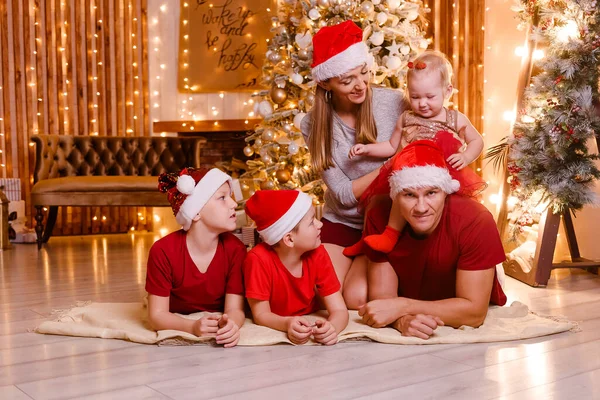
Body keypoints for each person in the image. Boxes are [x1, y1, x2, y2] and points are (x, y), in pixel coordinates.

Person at [301, 20, 405, 308]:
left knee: (357, 297)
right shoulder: (314, 124)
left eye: (364, 73)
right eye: (347, 80)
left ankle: (365, 260)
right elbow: (343, 195)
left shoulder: (393, 102)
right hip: (343, 221)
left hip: (386, 220)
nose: (361, 85)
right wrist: (390, 164)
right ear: (325, 82)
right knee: (322, 296)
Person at [356, 140, 507, 340]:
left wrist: (404, 306)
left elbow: (474, 313)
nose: (421, 207)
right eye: (409, 194)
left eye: (431, 193)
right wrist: (402, 321)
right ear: (395, 196)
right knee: (355, 295)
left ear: (446, 190)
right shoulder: (379, 213)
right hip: (414, 279)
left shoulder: (476, 219)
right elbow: (384, 303)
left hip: (463, 278)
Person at [345, 50, 485, 254]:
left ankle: (446, 244)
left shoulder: (454, 119)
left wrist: (465, 156)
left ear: (447, 91)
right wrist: (367, 148)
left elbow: (477, 141)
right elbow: (392, 146)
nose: (422, 103)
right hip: (409, 172)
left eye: (430, 96)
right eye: (415, 97)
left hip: (443, 174)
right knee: (386, 200)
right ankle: (381, 237)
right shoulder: (407, 118)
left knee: (450, 208)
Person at [145, 167, 246, 348]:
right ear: (196, 212)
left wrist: (232, 324)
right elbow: (156, 315)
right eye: (222, 198)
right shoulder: (162, 251)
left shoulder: (236, 249)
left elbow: (235, 309)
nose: (233, 204)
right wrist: (191, 327)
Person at [243, 190, 348, 345]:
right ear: (289, 239)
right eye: (312, 221)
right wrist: (286, 324)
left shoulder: (317, 253)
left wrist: (332, 328)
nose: (320, 224)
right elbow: (261, 314)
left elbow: (340, 310)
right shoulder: (257, 260)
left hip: (309, 313)